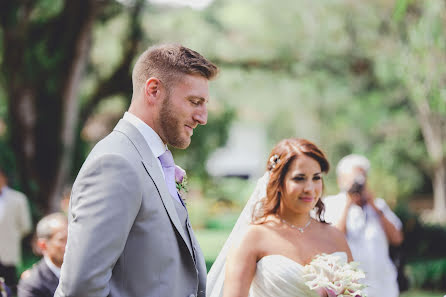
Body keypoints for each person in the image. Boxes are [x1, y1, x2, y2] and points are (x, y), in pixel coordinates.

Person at [54, 44, 218, 297]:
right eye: (194, 102)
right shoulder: (115, 163)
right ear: (153, 90)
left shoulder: (155, 161)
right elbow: (82, 287)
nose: (202, 117)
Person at [207, 138, 353, 297]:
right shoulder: (253, 238)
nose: (310, 188)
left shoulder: (335, 236)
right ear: (278, 183)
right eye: (299, 178)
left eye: (316, 178)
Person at [323, 154, 404, 297]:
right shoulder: (331, 204)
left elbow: (397, 238)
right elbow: (332, 241)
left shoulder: (378, 206)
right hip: (349, 287)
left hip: (383, 286)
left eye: (361, 177)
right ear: (340, 180)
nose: (358, 183)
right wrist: (348, 205)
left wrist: (373, 204)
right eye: (352, 178)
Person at [17, 213, 68, 297]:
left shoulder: (82, 272)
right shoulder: (32, 283)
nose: (68, 245)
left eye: (70, 238)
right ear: (43, 245)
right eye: (62, 240)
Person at [0, 167, 32, 294]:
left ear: (4, 178)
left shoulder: (18, 199)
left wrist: (12, 236)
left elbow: (26, 226)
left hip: (9, 252)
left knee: (10, 288)